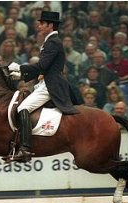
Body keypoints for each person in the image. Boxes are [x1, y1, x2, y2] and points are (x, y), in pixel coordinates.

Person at [8, 11, 79, 162]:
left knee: (23, 108)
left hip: (51, 85)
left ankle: (25, 149)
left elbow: (42, 66)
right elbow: (44, 69)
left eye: (42, 23)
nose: (38, 25)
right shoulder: (49, 41)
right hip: (44, 82)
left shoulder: (53, 42)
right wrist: (21, 75)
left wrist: (20, 69)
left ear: (50, 25)